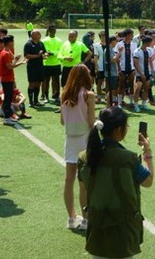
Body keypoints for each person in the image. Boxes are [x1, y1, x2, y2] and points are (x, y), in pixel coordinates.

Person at [78, 107, 153, 258]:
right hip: (123, 233)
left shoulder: (84, 157)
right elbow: (148, 181)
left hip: (96, 229)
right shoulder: (128, 158)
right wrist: (147, 152)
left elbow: (84, 190)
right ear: (119, 130)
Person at [60, 65, 96, 230]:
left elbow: (62, 121)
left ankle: (71, 217)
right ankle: (86, 220)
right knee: (84, 182)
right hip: (84, 140)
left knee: (69, 180)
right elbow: (90, 122)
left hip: (70, 140)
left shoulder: (64, 94)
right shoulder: (88, 95)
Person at [0, 35, 27, 125]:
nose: (13, 43)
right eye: (12, 41)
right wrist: (19, 62)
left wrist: (16, 60)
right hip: (6, 79)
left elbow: (10, 65)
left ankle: (8, 116)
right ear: (9, 42)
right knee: (7, 99)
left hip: (8, 78)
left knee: (8, 98)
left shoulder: (7, 52)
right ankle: (7, 118)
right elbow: (9, 67)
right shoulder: (5, 53)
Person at [23, 30, 46, 107]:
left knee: (38, 83)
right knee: (32, 84)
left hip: (40, 66)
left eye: (40, 34)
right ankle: (31, 101)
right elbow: (26, 55)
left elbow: (44, 52)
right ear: (33, 36)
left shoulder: (41, 43)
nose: (40, 35)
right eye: (38, 34)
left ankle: (36, 100)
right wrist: (37, 56)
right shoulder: (28, 44)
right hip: (32, 67)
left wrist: (45, 55)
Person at [42, 25, 64, 102]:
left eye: (54, 29)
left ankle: (56, 95)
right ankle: (46, 96)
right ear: (49, 31)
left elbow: (60, 51)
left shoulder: (59, 40)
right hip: (46, 63)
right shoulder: (44, 40)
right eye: (51, 30)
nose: (53, 31)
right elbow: (45, 50)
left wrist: (53, 53)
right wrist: (49, 53)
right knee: (46, 80)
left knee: (56, 81)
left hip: (56, 63)